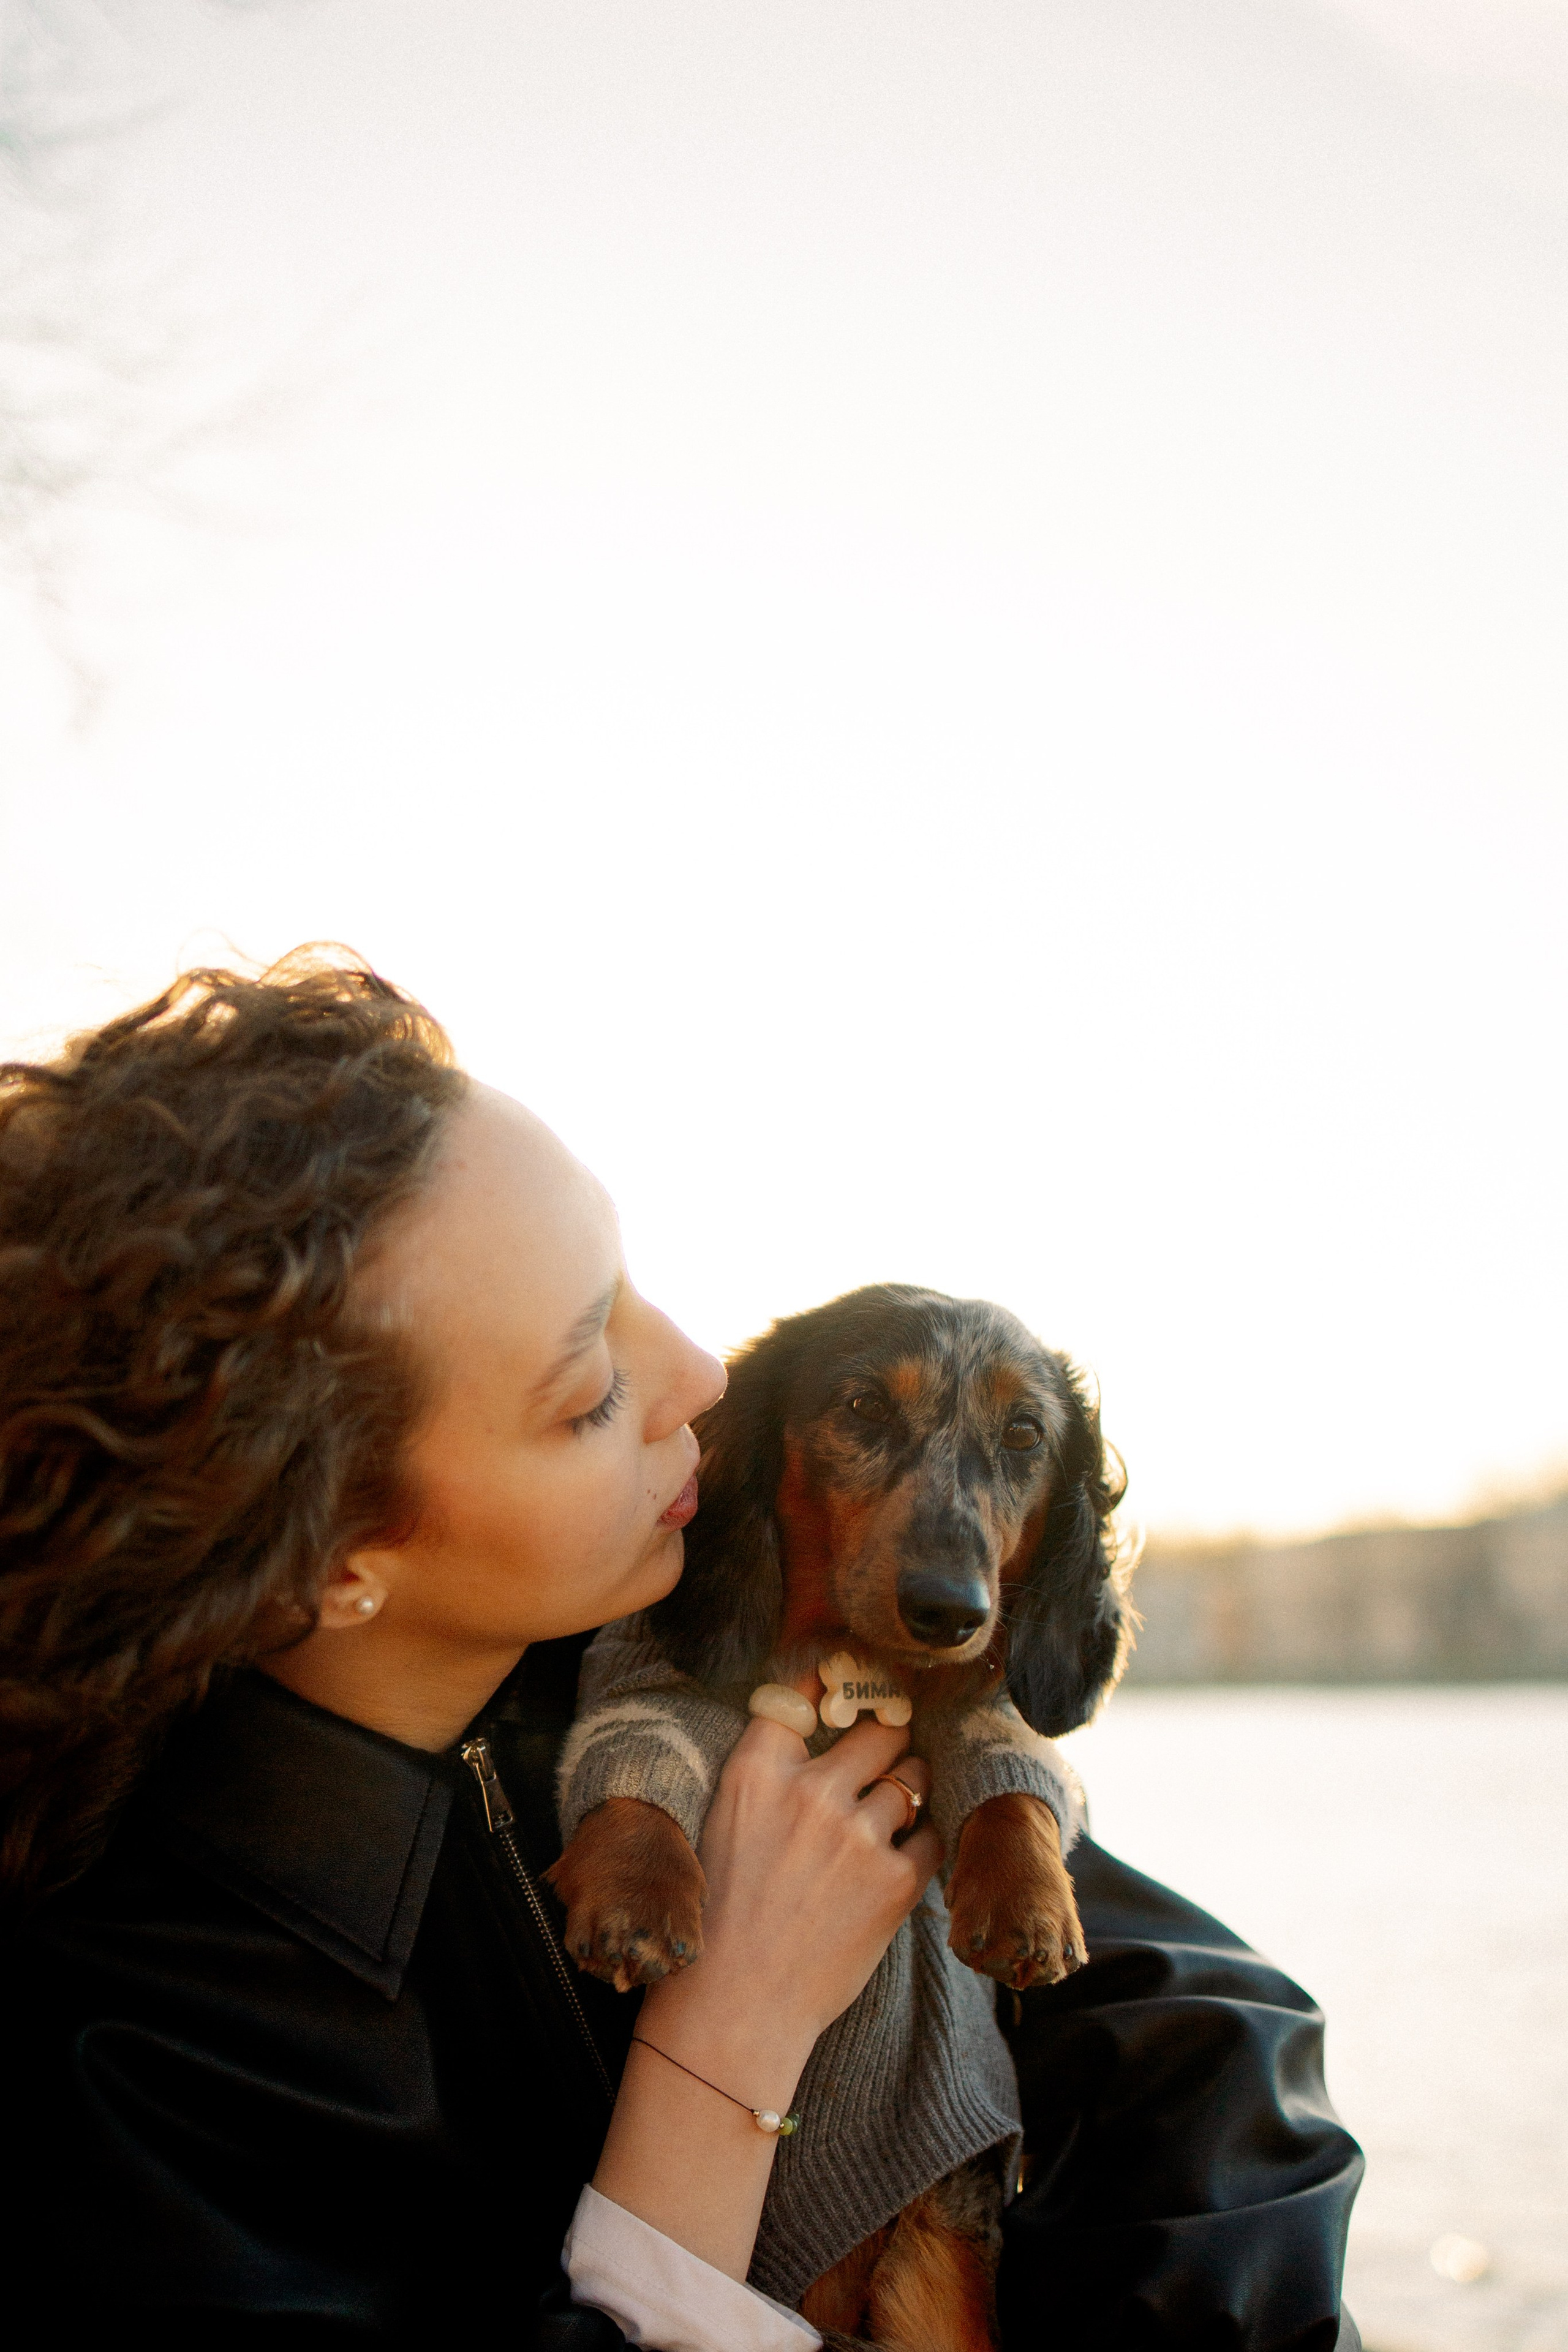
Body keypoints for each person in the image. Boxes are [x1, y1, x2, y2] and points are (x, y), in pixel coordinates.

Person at [0, 954, 1362, 2349]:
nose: (704, 1377)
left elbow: (1212, 2029)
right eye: (588, 1386)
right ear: (333, 1550)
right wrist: (729, 2035)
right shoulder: (132, 2075)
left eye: (631, 1289)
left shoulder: (675, 1644)